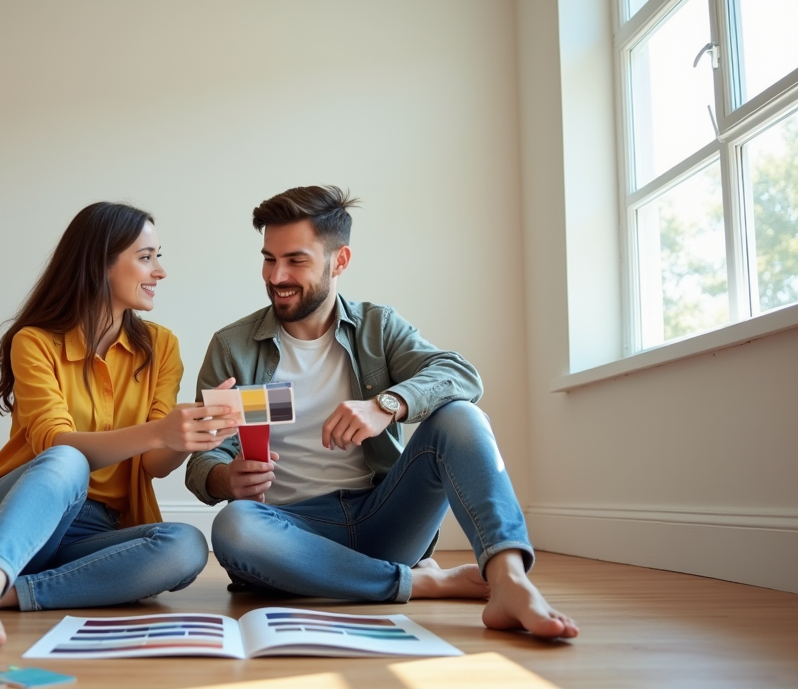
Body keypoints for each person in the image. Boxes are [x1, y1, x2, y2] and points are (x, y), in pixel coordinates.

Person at [185, 185, 578, 639]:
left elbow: (461, 374)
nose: (276, 276)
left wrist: (386, 404)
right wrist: (224, 478)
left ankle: (510, 580)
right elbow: (204, 458)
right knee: (233, 525)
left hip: (385, 516)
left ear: (341, 261)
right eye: (269, 259)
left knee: (462, 417)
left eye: (296, 260)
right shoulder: (232, 346)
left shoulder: (378, 326)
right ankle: (420, 582)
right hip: (289, 531)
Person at [0, 202, 238, 650]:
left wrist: (192, 434)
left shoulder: (161, 346)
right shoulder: (35, 341)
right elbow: (52, 442)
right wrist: (160, 430)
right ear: (100, 264)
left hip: (93, 533)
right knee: (66, 459)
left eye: (159, 256)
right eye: (146, 256)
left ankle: (3, 595)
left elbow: (154, 466)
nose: (160, 272)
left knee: (186, 546)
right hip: (11, 514)